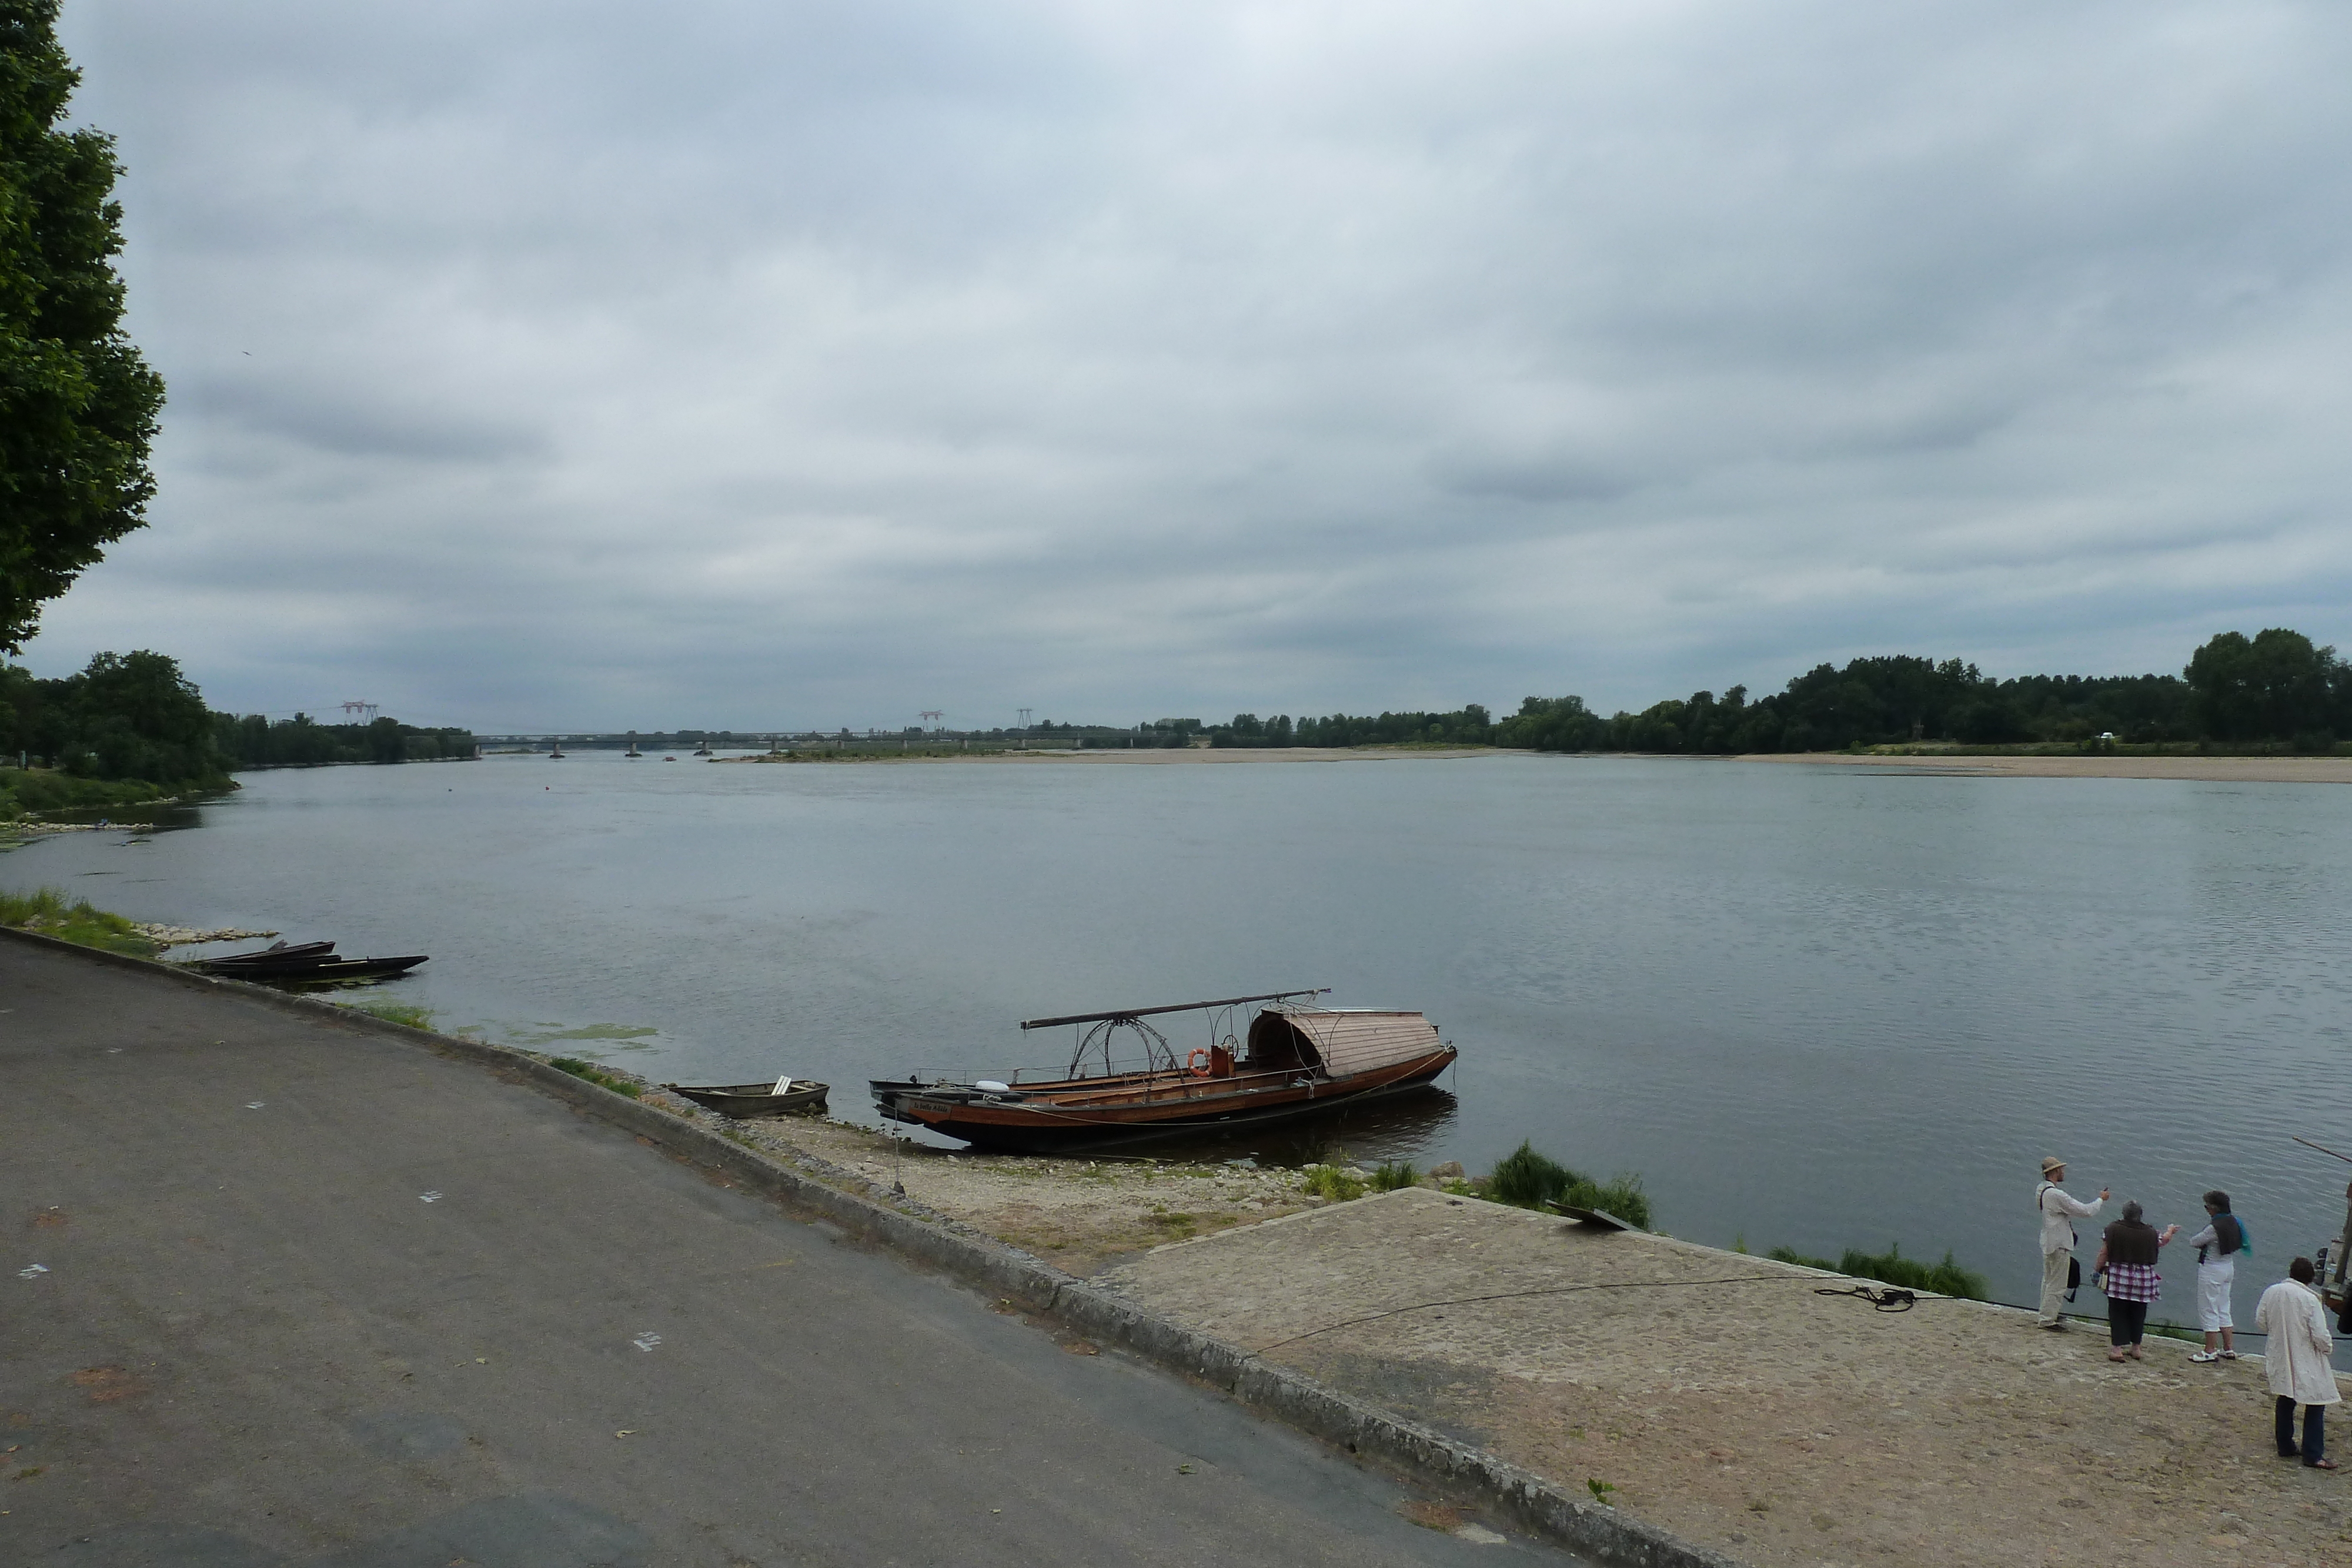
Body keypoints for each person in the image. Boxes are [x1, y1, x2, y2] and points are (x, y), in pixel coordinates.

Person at [2254, 1257, 2340, 1470]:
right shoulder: (2310, 1300)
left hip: (2281, 1353)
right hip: (2307, 1356)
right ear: (2311, 1278)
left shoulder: (2272, 1292)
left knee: (2286, 1397)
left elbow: (2261, 1321)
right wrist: (2328, 1348)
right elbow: (2320, 1335)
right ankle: (2313, 1454)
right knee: (2316, 1402)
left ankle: (2285, 1445)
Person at [2093, 1201, 2178, 1361]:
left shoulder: (2113, 1229)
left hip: (2119, 1276)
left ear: (2124, 1213)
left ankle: (2117, 1349)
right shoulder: (2151, 1232)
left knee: (2117, 1312)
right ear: (2140, 1215)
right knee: (2139, 1313)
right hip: (2144, 1279)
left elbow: (2104, 1253)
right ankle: (2136, 1348)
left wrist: (2097, 1271)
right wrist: (2170, 1231)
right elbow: (2163, 1241)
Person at [2037, 1156, 2107, 1330]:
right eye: (2061, 1169)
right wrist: (2101, 1200)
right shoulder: (2056, 1195)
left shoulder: (2041, 1190)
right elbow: (2085, 1211)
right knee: (2058, 1283)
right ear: (2055, 1172)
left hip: (2048, 1241)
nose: (2063, 1172)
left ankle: (2047, 1312)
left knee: (2048, 1280)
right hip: (2059, 1243)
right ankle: (2047, 1320)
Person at [2185, 1190, 2248, 1363]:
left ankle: (2209, 1350)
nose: (2207, 1210)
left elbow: (2194, 1241)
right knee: (2223, 1307)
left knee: (2208, 1308)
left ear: (2214, 1208)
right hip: (2228, 1267)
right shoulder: (2236, 1222)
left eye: (2207, 1207)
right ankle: (2228, 1348)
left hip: (2212, 1269)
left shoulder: (2214, 1227)